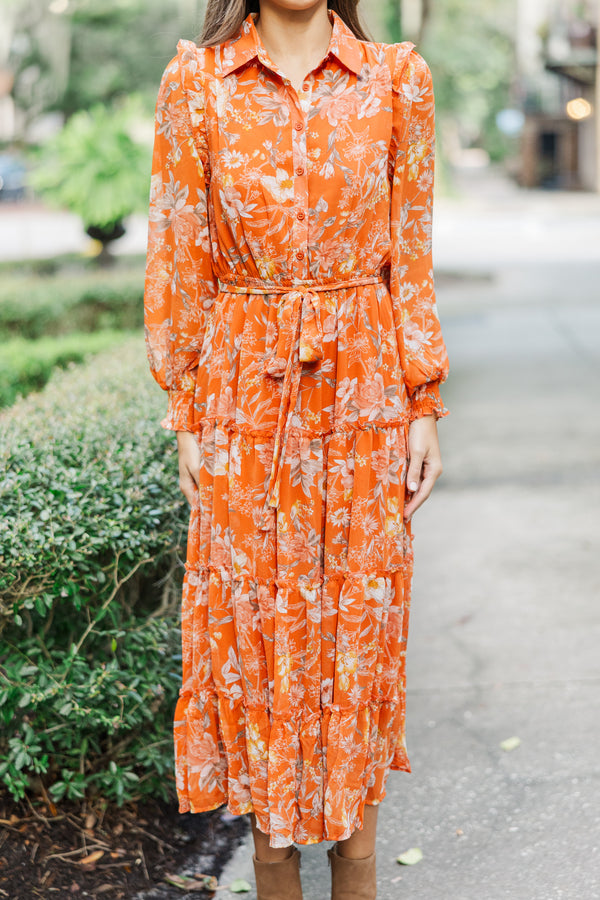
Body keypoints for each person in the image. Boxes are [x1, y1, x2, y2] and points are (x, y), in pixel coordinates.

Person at [143, 1, 449, 897]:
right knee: (254, 637)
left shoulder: (398, 77)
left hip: (365, 397)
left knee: (356, 632)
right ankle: (273, 865)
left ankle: (358, 868)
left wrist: (423, 405)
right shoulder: (195, 83)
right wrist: (189, 418)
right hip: (242, 400)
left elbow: (412, 256)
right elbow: (177, 256)